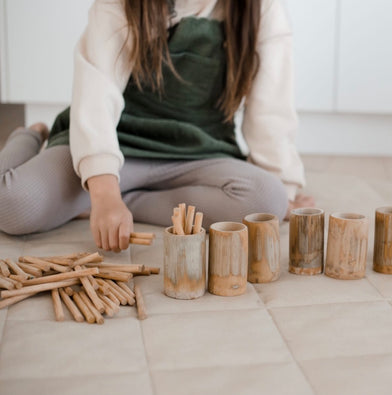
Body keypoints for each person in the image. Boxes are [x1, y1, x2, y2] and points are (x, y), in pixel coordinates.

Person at [0, 0, 314, 251]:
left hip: (200, 153)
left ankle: (127, 200)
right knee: (13, 206)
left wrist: (282, 186)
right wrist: (104, 192)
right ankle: (28, 136)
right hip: (117, 144)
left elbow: (272, 110)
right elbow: (95, 97)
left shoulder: (263, 8)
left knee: (266, 200)